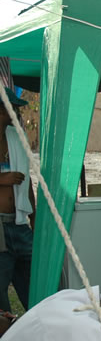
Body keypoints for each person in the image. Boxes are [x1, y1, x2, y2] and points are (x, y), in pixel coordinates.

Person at [0, 87, 35, 313]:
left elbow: (28, 180)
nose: (16, 114)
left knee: (34, 286)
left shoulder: (16, 138)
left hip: (20, 223)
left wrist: (36, 217)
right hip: (0, 228)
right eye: (11, 109)